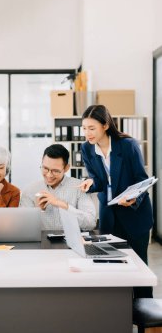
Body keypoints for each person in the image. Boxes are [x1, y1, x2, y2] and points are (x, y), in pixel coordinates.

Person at [79, 105, 153, 298]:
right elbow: (99, 181)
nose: (87, 133)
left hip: (135, 213)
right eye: (84, 128)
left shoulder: (128, 145)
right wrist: (90, 182)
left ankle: (144, 311)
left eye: (92, 128)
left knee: (139, 267)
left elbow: (140, 178)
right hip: (109, 214)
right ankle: (118, 311)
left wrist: (134, 197)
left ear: (105, 125)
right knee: (112, 266)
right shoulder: (86, 148)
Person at [20, 144, 96, 230]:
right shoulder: (30, 190)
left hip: (71, 241)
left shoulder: (80, 187)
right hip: (41, 241)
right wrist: (37, 211)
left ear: (66, 168)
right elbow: (23, 228)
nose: (49, 175)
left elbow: (90, 223)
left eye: (55, 171)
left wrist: (63, 205)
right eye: (45, 168)